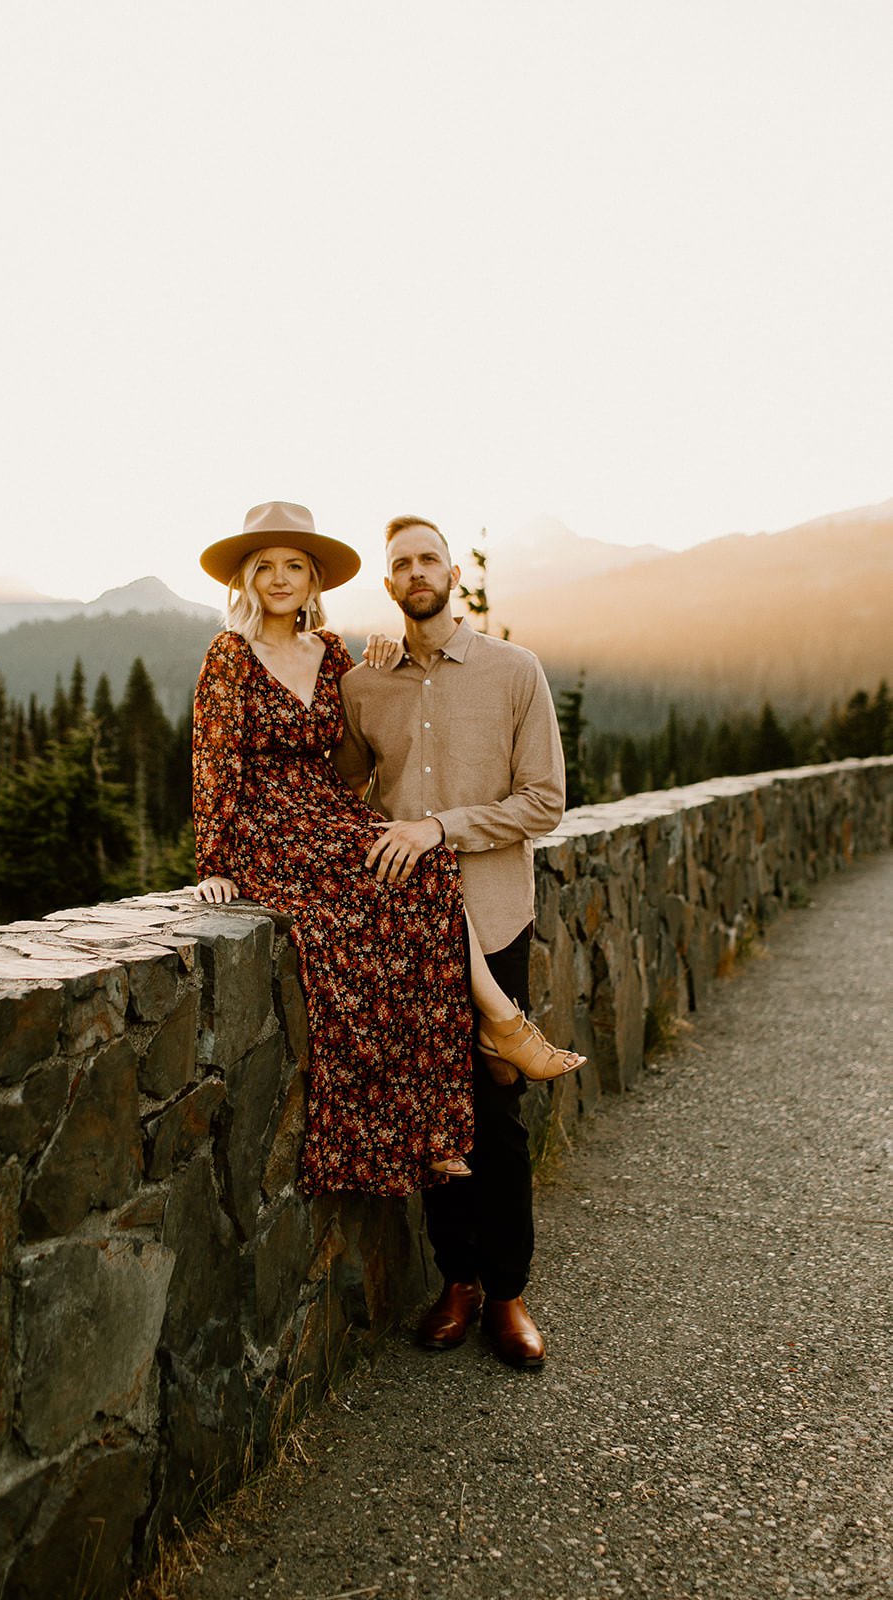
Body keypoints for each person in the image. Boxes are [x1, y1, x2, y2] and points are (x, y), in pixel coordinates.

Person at [190, 501, 580, 1202]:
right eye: (264, 567)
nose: (279, 579)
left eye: (294, 567)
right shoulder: (229, 654)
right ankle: (500, 1021)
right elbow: (212, 760)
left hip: (327, 813)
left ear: (314, 582)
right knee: (405, 877)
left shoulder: (337, 653)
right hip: (267, 826)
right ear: (246, 581)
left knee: (409, 881)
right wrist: (214, 862)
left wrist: (379, 658)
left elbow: (350, 748)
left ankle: (431, 1126)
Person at [332, 513, 579, 1369]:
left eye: (426, 557)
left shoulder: (515, 672)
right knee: (428, 1110)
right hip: (407, 929)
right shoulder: (366, 686)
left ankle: (507, 1294)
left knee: (495, 1110)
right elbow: (342, 789)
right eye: (398, 563)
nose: (414, 571)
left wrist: (440, 827)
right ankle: (458, 1280)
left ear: (451, 574)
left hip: (492, 916)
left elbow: (544, 802)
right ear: (389, 583)